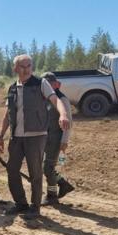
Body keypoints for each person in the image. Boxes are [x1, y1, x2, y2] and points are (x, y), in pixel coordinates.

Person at [0, 55, 70, 220]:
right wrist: (1, 135)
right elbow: (8, 115)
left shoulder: (40, 83)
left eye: (29, 65)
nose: (26, 69)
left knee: (35, 173)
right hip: (16, 137)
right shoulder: (12, 89)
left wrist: (63, 114)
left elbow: (55, 100)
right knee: (12, 170)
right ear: (15, 68)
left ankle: (35, 207)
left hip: (36, 136)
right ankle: (20, 203)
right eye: (22, 66)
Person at [41, 72, 75, 205]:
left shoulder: (62, 99)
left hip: (56, 139)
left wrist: (64, 141)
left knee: (47, 168)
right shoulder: (45, 98)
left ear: (56, 84)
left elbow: (68, 122)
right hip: (45, 139)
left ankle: (52, 195)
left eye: (49, 84)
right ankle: (63, 184)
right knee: (47, 167)